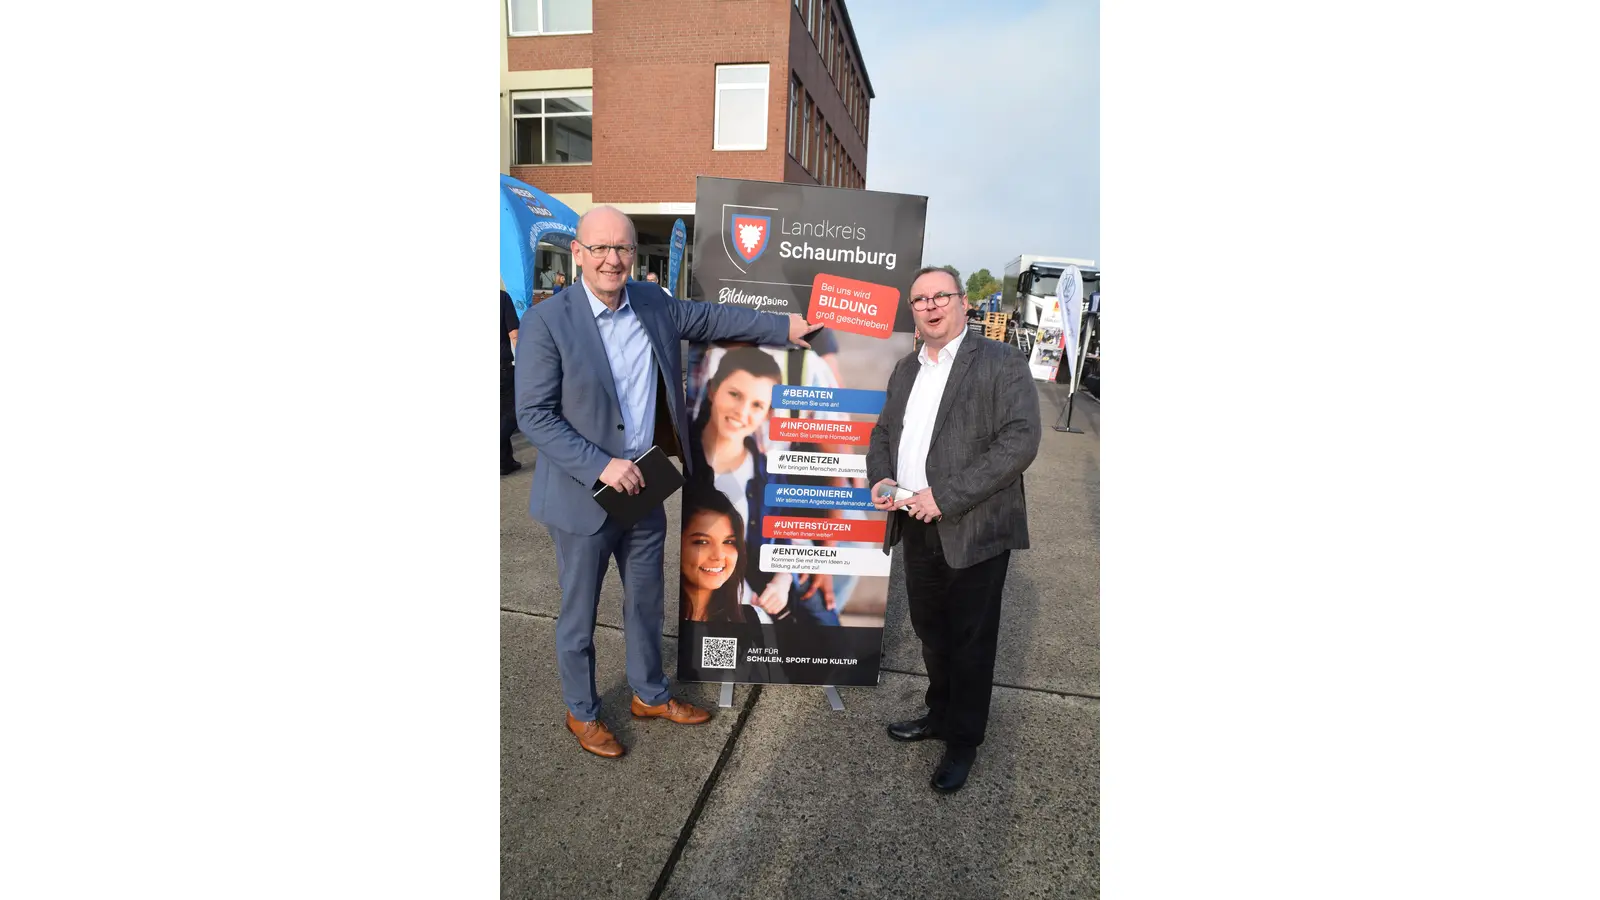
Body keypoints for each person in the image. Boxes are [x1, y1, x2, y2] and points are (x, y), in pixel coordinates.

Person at [515, 205, 819, 759]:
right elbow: (533, 415)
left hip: (644, 489)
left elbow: (709, 318)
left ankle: (649, 694)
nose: (613, 259)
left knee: (645, 604)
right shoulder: (546, 321)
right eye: (601, 248)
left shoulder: (652, 304)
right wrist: (600, 464)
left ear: (634, 255)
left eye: (623, 249)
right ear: (577, 253)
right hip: (583, 495)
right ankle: (581, 712)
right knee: (579, 616)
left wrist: (783, 328)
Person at [867, 266, 1041, 793]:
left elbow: (1019, 442)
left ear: (964, 302)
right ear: (913, 312)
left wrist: (945, 496)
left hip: (974, 527)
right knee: (931, 631)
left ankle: (964, 740)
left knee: (971, 641)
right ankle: (939, 713)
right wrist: (882, 477)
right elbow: (882, 432)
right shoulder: (905, 369)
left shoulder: (1000, 361)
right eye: (920, 300)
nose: (931, 305)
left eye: (941, 295)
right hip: (914, 524)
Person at [687, 348, 838, 625]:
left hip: (764, 596)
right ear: (712, 391)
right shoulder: (689, 464)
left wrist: (783, 580)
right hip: (711, 604)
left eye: (757, 405)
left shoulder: (766, 472)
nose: (742, 412)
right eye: (734, 394)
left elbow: (785, 530)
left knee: (829, 636)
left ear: (767, 414)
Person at [680, 489, 815, 624]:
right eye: (702, 542)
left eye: (729, 542)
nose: (719, 555)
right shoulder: (663, 621)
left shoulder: (754, 618)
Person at [501, 290, 521, 476]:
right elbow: (515, 334)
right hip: (502, 367)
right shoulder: (501, 297)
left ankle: (506, 461)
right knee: (513, 413)